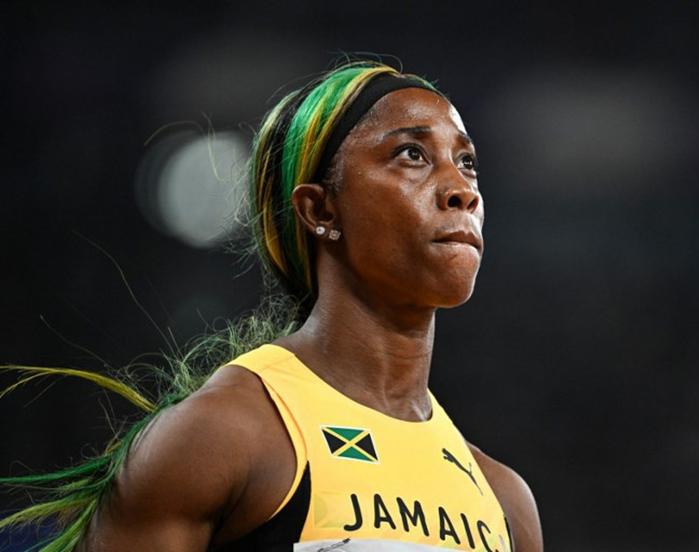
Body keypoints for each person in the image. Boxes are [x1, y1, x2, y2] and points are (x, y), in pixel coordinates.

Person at [1, 60, 542, 551]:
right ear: (319, 209)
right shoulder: (225, 436)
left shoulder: (503, 501)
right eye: (411, 154)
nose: (461, 190)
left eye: (467, 162)